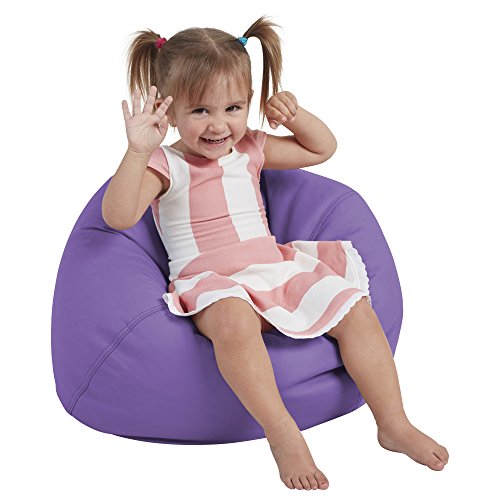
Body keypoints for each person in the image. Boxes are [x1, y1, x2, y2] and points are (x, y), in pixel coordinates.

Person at [101, 15, 449, 491]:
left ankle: (393, 423)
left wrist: (295, 116)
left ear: (249, 103)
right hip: (211, 282)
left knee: (355, 308)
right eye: (199, 110)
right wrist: (138, 150)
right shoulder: (166, 163)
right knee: (232, 321)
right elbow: (119, 216)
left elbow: (321, 149)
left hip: (273, 268)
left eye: (233, 107)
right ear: (169, 110)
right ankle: (283, 433)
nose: (218, 124)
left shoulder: (250, 148)